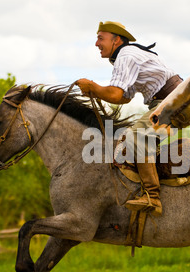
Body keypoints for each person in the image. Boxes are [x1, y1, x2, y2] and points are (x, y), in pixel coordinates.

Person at [76, 21, 182, 215]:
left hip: (170, 101)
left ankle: (152, 197)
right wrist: (97, 91)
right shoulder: (126, 55)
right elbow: (125, 97)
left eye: (101, 38)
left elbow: (116, 95)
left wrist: (93, 87)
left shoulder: (126, 55)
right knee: (134, 137)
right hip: (170, 100)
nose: (96, 44)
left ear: (116, 40)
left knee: (135, 137)